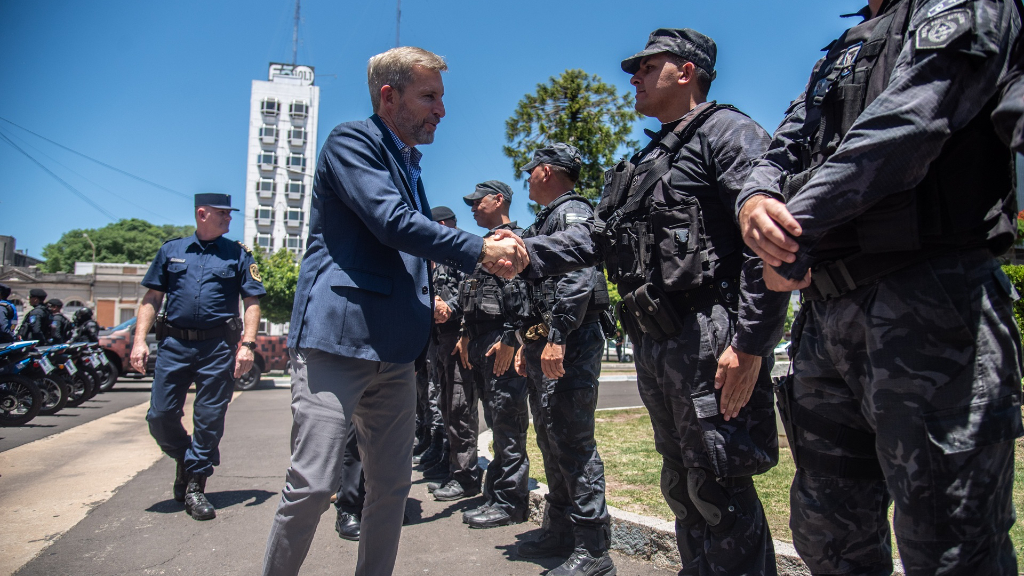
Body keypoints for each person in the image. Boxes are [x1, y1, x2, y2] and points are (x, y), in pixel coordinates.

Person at [736, 0, 1023, 573]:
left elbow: (908, 124)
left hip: (929, 303)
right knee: (829, 534)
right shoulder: (845, 48)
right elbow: (786, 142)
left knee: (949, 541)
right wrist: (754, 199)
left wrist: (791, 232)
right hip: (826, 313)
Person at [491, 28, 788, 576]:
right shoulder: (645, 160)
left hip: (708, 337)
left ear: (688, 71)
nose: (635, 77)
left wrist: (750, 345)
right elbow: (595, 237)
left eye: (649, 67)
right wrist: (527, 250)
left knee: (718, 485)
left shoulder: (728, 133)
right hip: (658, 340)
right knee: (680, 481)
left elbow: (763, 245)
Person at [260, 47, 526, 576]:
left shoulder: (409, 164)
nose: (441, 110)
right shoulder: (351, 141)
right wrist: (480, 250)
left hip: (397, 351)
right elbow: (390, 221)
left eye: (440, 98)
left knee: (391, 489)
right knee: (313, 485)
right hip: (338, 339)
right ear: (389, 95)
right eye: (429, 96)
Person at [512, 143, 616, 575]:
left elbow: (578, 273)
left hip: (571, 339)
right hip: (548, 340)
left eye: (531, 169)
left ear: (548, 171)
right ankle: (560, 531)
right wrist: (527, 341)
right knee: (552, 436)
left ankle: (593, 550)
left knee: (573, 440)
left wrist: (557, 334)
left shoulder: (572, 212)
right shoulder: (551, 214)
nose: (527, 177)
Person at [132, 193, 265, 522]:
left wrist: (247, 345)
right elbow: (152, 297)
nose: (229, 219)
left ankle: (194, 485)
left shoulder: (237, 255)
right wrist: (139, 341)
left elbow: (252, 302)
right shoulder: (171, 251)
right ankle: (186, 458)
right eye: (223, 213)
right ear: (202, 214)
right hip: (174, 346)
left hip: (216, 349)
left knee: (208, 419)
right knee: (159, 415)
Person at [455, 180, 531, 529]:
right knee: (497, 420)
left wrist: (513, 338)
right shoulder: (483, 247)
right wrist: (464, 335)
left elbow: (526, 296)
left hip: (502, 342)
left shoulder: (515, 241)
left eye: (477, 200)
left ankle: (510, 503)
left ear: (498, 199)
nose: (472, 207)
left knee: (507, 423)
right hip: (482, 342)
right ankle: (495, 493)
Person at [426, 206, 481, 502]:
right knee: (447, 406)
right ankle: (454, 469)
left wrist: (462, 330)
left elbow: (472, 294)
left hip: (461, 339)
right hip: (441, 342)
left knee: (459, 408)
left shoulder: (462, 249)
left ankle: (465, 477)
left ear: (444, 224)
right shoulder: (440, 255)